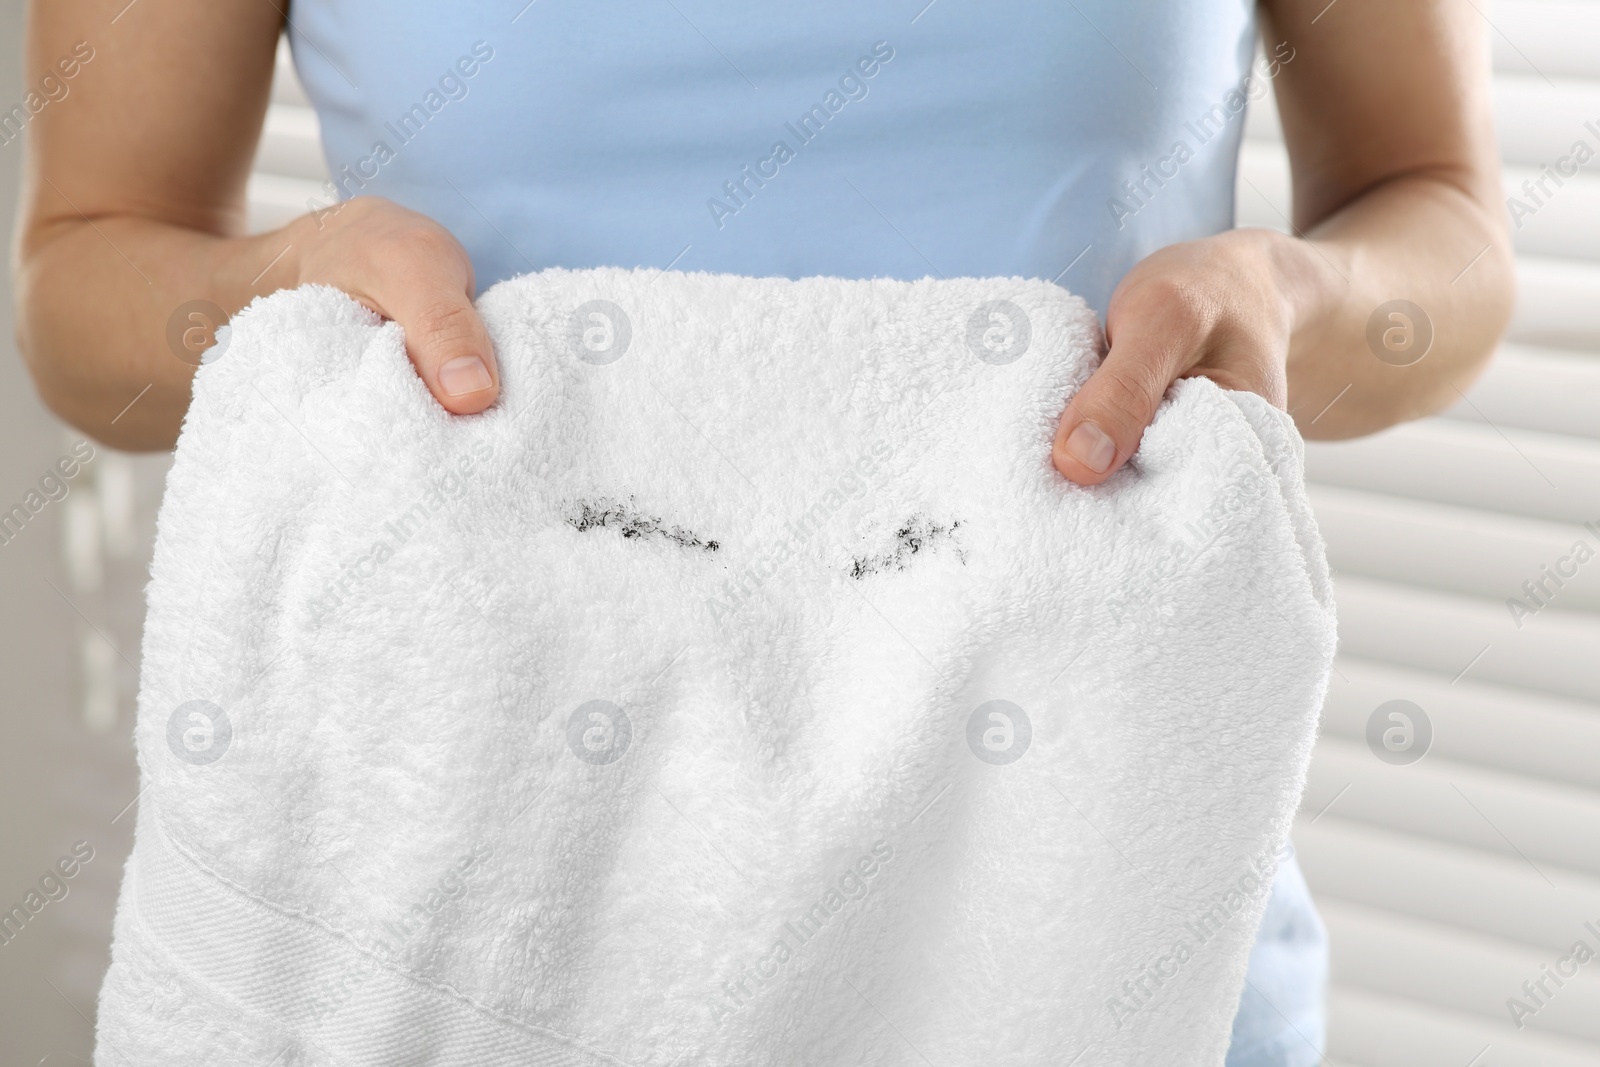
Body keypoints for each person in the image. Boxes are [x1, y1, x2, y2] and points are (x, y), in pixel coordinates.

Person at [11, 1, 1513, 1063]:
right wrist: (288, 283)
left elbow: (1441, 220)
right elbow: (83, 287)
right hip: (491, 878)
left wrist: (1285, 297)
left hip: (1090, 883)